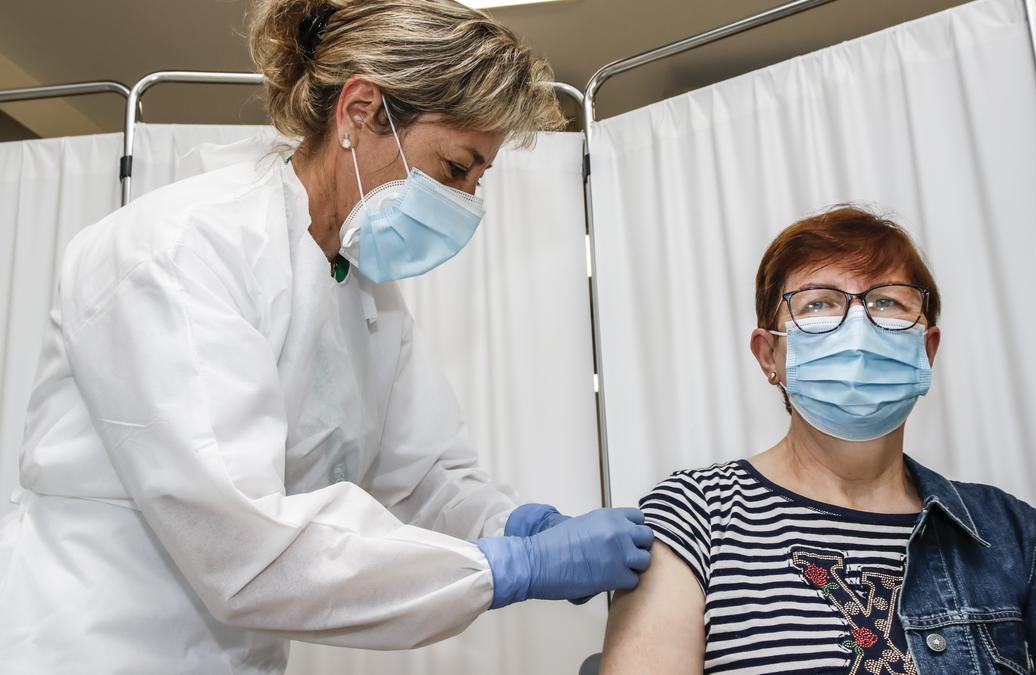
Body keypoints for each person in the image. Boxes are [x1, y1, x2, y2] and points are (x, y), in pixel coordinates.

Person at [0, 1, 651, 673]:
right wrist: (511, 566)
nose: (464, 204)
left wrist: (519, 528)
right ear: (359, 111)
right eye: (456, 169)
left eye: (478, 181)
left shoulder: (361, 288)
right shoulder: (176, 252)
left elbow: (424, 475)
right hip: (88, 644)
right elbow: (245, 546)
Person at [601, 207, 1036, 674]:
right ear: (769, 356)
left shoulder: (1013, 535)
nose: (856, 327)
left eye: (887, 302)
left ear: (927, 349)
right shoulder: (697, 515)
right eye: (818, 304)